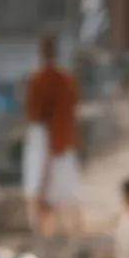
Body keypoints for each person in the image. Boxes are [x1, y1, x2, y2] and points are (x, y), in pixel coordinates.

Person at [23, 32, 82, 235]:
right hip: (52, 135)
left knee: (54, 183)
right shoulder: (55, 78)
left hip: (54, 136)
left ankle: (56, 227)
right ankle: (47, 226)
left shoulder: (53, 79)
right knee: (46, 182)